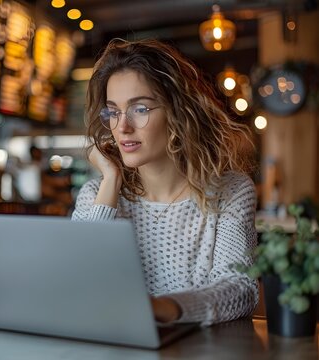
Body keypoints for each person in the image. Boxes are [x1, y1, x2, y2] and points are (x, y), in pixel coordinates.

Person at [71, 38, 258, 326]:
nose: (122, 127)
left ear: (177, 111)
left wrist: (164, 308)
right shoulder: (97, 195)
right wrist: (110, 181)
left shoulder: (231, 191)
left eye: (140, 109)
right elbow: (73, 281)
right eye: (112, 111)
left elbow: (240, 288)